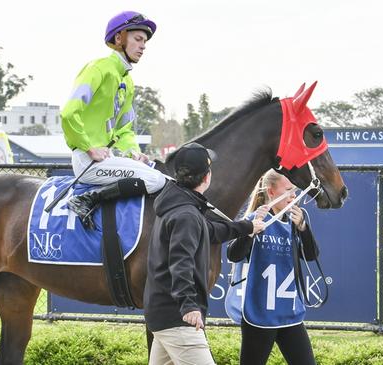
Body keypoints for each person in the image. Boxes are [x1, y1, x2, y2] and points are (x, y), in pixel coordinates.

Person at [144, 142, 265, 365]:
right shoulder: (186, 214)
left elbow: (210, 231)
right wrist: (189, 305)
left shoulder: (180, 207)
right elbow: (180, 263)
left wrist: (247, 227)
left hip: (163, 315)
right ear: (206, 176)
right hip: (179, 317)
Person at [61, 11, 166, 228]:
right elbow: (69, 113)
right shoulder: (97, 69)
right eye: (138, 39)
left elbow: (124, 130)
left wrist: (134, 152)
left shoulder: (128, 83)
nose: (143, 46)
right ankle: (87, 200)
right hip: (87, 161)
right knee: (156, 180)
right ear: (119, 38)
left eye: (145, 41)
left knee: (157, 172)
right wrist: (89, 147)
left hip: (106, 160)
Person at [227, 169, 320, 365]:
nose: (293, 196)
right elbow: (233, 254)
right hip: (260, 314)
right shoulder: (256, 218)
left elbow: (311, 256)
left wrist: (303, 228)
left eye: (294, 191)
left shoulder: (295, 220)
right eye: (288, 191)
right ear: (271, 192)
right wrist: (251, 229)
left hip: (289, 313)